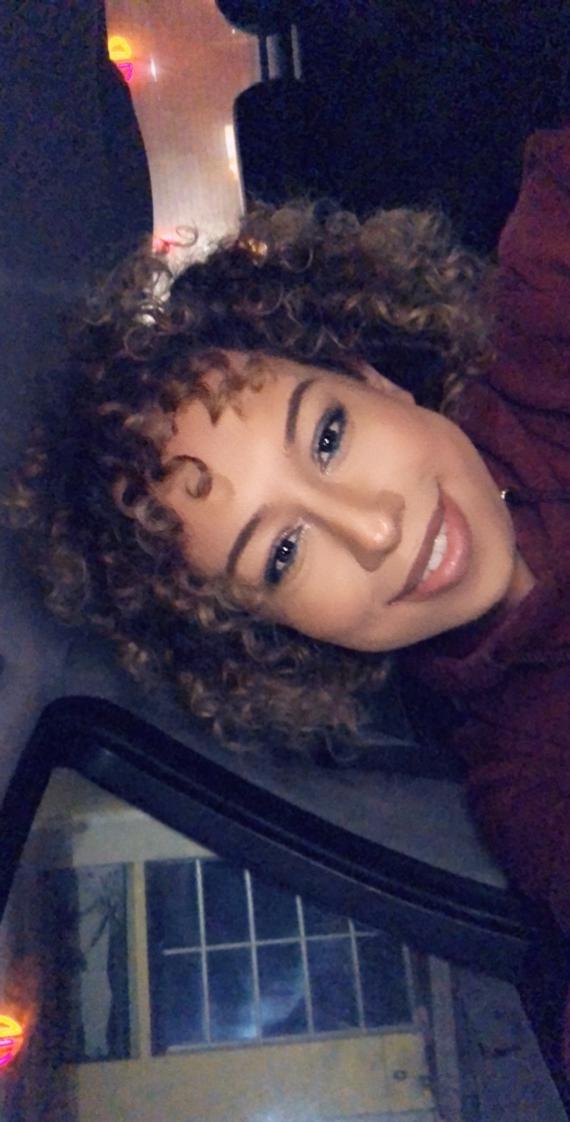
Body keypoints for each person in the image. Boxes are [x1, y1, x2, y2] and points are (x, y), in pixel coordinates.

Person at [5, 123, 570, 1049]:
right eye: (281, 557)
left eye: (329, 437)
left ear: (375, 379)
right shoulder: (528, 774)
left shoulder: (543, 312)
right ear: (278, 635)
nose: (377, 529)